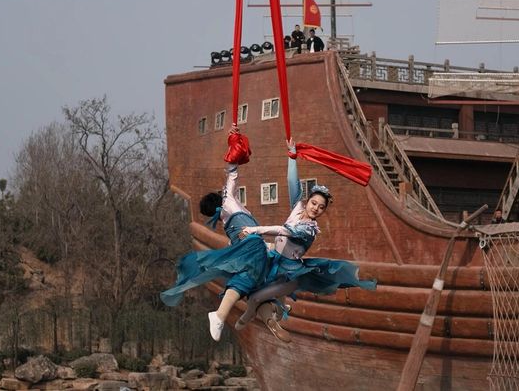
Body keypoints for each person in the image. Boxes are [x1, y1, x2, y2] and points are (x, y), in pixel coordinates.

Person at [160, 127, 290, 343]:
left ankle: (265, 314)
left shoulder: (227, 223)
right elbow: (231, 176)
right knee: (258, 276)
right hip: (255, 249)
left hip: (254, 253)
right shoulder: (228, 203)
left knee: (258, 285)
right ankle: (227, 314)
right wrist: (233, 142)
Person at [233, 139, 376, 330]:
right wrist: (292, 156)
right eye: (314, 203)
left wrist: (254, 230)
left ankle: (247, 317)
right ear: (308, 201)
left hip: (290, 274)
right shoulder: (297, 207)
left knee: (257, 297)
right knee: (248, 279)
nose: (316, 208)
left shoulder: (309, 230)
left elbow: (283, 230)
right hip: (273, 260)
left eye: (321, 207)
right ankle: (280, 307)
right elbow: (292, 183)